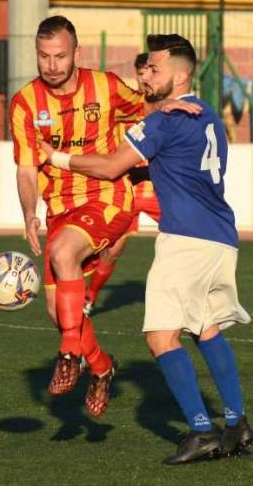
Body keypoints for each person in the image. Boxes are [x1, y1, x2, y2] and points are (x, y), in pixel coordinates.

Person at [41, 34, 253, 464]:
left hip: (186, 241)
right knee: (205, 328)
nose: (144, 76)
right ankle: (236, 422)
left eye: (153, 69)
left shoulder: (163, 121)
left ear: (178, 75)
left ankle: (200, 431)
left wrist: (56, 157)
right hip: (221, 238)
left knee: (160, 337)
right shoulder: (207, 114)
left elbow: (109, 167)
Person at [10, 15, 150, 418]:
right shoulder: (25, 104)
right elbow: (26, 168)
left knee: (65, 252)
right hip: (60, 208)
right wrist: (29, 214)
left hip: (107, 197)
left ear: (76, 53)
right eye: (44, 56)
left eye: (60, 56)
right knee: (57, 312)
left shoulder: (105, 87)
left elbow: (149, 108)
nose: (51, 65)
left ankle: (70, 354)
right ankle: (103, 369)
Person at [83, 52, 162, 315]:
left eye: (150, 73)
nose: (144, 79)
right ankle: (88, 297)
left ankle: (208, 299)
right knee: (111, 251)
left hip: (156, 187)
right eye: (141, 74)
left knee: (188, 237)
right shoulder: (123, 105)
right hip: (126, 186)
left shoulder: (166, 107)